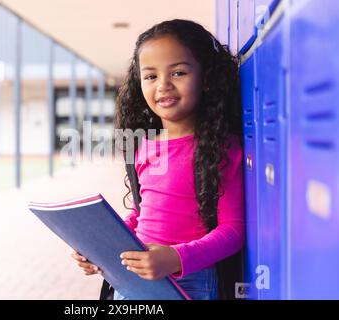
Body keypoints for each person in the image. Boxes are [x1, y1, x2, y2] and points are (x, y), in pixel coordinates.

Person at [71, 19, 244, 300]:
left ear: (207, 77)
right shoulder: (144, 145)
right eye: (151, 76)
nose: (163, 85)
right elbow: (144, 214)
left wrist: (175, 258)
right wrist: (99, 246)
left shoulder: (220, 147)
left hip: (189, 280)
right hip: (133, 280)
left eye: (177, 73)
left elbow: (233, 230)